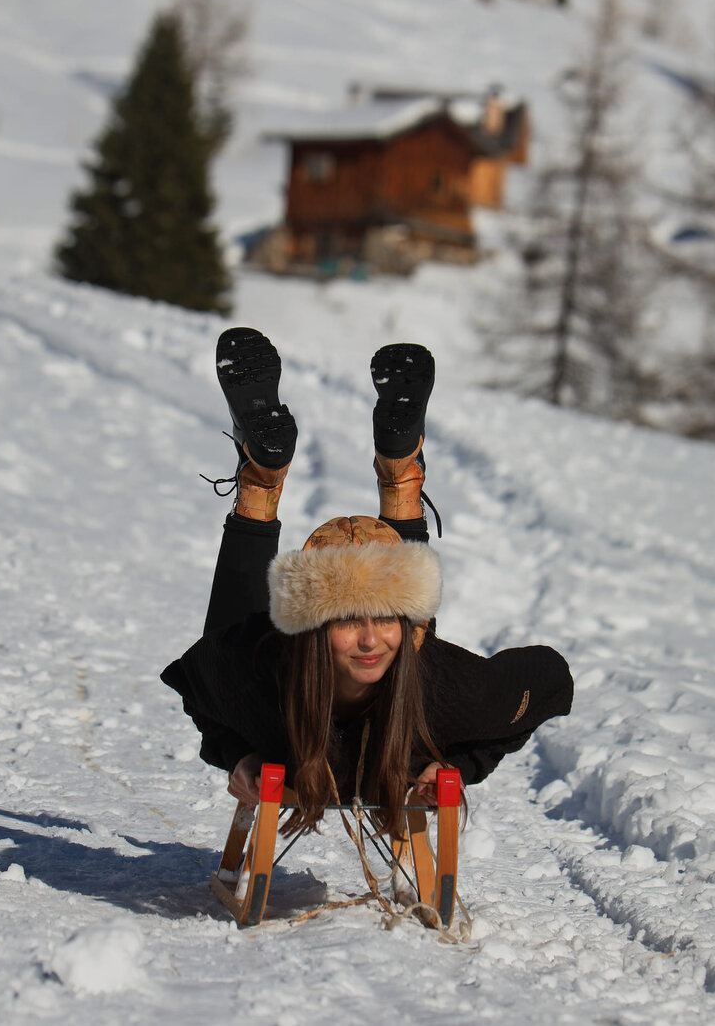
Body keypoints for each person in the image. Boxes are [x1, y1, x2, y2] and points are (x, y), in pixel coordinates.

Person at [161, 328, 573, 838]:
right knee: (226, 650)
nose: (371, 638)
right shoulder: (259, 677)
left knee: (231, 649)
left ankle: (261, 482)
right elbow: (202, 688)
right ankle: (401, 477)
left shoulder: (440, 689)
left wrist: (457, 770)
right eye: (347, 621)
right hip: (288, 670)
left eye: (385, 619)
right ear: (310, 627)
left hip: (406, 677)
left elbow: (546, 680)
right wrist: (240, 756)